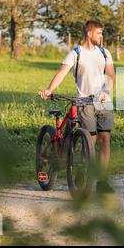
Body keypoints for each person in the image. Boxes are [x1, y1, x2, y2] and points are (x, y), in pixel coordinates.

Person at [38, 20, 116, 193]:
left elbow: (111, 75)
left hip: (103, 101)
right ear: (89, 34)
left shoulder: (104, 53)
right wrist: (49, 90)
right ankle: (82, 171)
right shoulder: (76, 53)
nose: (101, 36)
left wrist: (106, 92)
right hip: (84, 102)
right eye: (98, 33)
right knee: (90, 140)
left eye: (101, 33)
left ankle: (102, 181)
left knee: (105, 139)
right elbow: (61, 73)